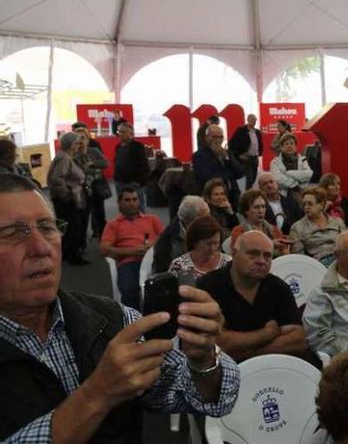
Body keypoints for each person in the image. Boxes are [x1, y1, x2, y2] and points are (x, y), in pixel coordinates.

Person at [0, 174, 239, 441]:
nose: (40, 247)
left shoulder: (112, 320)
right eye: (13, 233)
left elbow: (212, 398)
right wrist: (97, 395)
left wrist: (203, 360)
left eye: (47, 228)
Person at [198, 230, 318, 365]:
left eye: (267, 256)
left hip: (272, 368)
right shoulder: (208, 286)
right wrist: (266, 334)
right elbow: (214, 343)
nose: (261, 261)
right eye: (253, 254)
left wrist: (251, 356)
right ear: (234, 253)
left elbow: (297, 340)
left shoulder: (279, 287)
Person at [100, 186, 164, 309]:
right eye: (127, 200)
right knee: (130, 290)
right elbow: (104, 249)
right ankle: (133, 321)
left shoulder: (151, 219)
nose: (132, 203)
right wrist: (132, 252)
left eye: (135, 199)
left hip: (154, 260)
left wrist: (151, 246)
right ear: (119, 203)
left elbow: (165, 238)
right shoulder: (113, 224)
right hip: (129, 262)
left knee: (165, 286)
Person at [47, 132, 88, 265]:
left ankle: (68, 254)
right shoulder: (65, 159)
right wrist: (66, 195)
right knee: (72, 228)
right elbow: (57, 179)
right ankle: (72, 256)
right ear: (71, 145)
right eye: (76, 142)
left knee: (70, 227)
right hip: (67, 200)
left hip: (68, 198)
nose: (79, 145)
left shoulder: (65, 157)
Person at [152, 195, 210, 274]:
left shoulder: (207, 230)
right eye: (204, 218)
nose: (209, 221)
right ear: (190, 220)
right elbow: (165, 273)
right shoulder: (167, 242)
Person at [290, 187, 346, 267]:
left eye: (310, 204)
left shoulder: (337, 222)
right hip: (316, 264)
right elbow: (300, 257)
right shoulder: (297, 227)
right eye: (304, 204)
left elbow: (346, 245)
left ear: (321, 204)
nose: (306, 207)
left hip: (340, 258)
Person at [193, 124, 244, 209]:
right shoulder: (199, 155)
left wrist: (227, 159)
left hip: (232, 196)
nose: (217, 140)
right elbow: (206, 176)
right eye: (214, 137)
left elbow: (240, 173)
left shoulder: (227, 153)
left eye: (220, 137)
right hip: (213, 198)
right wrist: (229, 175)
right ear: (207, 138)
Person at [168, 214, 231, 282]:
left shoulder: (228, 263)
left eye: (216, 243)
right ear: (195, 242)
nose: (212, 248)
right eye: (208, 244)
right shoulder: (179, 266)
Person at [72, 126, 109, 239]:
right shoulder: (72, 155)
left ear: (88, 140)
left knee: (99, 214)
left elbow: (105, 163)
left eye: (83, 138)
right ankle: (81, 243)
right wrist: (94, 170)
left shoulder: (94, 151)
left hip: (97, 187)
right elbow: (77, 172)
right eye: (78, 138)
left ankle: (102, 237)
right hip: (81, 190)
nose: (81, 141)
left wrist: (92, 164)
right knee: (82, 216)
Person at [229, 188, 290, 255]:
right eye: (256, 207)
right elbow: (238, 255)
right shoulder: (239, 231)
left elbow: (285, 253)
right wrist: (271, 244)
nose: (261, 211)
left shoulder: (274, 229)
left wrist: (284, 248)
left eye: (263, 207)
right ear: (246, 210)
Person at [113, 123, 150, 207]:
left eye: (123, 132)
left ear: (131, 134)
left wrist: (138, 182)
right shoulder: (118, 146)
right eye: (119, 131)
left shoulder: (138, 147)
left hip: (133, 183)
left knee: (137, 208)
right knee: (123, 207)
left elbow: (144, 166)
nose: (120, 134)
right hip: (119, 182)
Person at [270, 132, 312, 198]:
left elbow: (308, 174)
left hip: (301, 194)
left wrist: (288, 173)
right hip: (282, 195)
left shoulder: (303, 159)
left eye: (292, 143)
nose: (289, 146)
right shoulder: (275, 162)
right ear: (281, 147)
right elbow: (277, 179)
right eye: (286, 144)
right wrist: (296, 183)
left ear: (295, 146)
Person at [228, 113, 263, 189]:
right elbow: (232, 143)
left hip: (255, 158)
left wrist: (260, 152)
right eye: (252, 119)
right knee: (249, 179)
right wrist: (239, 155)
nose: (254, 121)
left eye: (255, 120)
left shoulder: (257, 132)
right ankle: (248, 195)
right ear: (248, 120)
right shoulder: (241, 130)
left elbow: (260, 143)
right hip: (246, 158)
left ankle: (249, 190)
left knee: (254, 177)